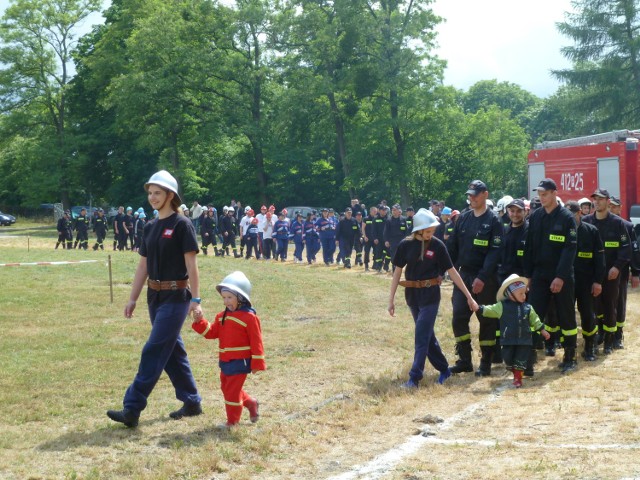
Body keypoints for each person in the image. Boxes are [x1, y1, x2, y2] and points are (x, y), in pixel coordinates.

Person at [107, 170, 203, 428]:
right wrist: (132, 298)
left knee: (154, 349)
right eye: (150, 193)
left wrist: (196, 299)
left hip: (177, 296)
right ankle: (192, 401)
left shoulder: (182, 224)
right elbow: (143, 267)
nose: (152, 197)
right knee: (172, 352)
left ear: (170, 195)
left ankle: (132, 407)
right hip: (154, 297)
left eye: (157, 193)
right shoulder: (150, 227)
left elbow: (192, 266)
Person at [388, 208, 478, 388]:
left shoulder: (438, 246)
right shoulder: (405, 245)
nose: (432, 233)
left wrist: (469, 297)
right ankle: (444, 369)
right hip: (412, 296)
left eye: (433, 230)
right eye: (428, 230)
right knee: (427, 337)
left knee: (421, 334)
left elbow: (452, 272)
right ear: (418, 230)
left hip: (431, 296)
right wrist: (390, 300)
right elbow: (397, 273)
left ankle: (414, 377)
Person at [191, 271, 265, 428]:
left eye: (229, 297)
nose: (226, 301)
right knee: (227, 387)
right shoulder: (221, 316)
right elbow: (211, 333)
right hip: (225, 360)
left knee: (231, 391)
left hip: (240, 361)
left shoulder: (250, 318)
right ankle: (251, 403)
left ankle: (232, 422)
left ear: (241, 297)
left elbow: (256, 340)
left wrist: (257, 362)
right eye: (223, 298)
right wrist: (200, 321)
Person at [447, 180, 504, 376]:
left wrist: (482, 277)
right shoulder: (463, 219)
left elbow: (495, 253)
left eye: (475, 194)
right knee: (458, 317)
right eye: (469, 194)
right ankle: (464, 360)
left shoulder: (494, 221)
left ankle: (486, 362)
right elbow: (452, 248)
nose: (471, 198)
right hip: (464, 276)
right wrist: (444, 270)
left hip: (485, 278)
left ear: (485, 195)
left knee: (486, 320)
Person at [523, 178, 579, 373]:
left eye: (545, 193)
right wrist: (528, 276)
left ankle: (570, 355)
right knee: (533, 314)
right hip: (539, 274)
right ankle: (529, 358)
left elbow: (570, 249)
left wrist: (561, 276)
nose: (542, 197)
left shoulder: (566, 218)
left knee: (566, 315)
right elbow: (529, 248)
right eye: (539, 194)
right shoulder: (536, 217)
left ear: (555, 193)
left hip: (560, 275)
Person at [477, 275, 550, 388]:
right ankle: (514, 369)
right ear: (510, 294)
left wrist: (542, 330)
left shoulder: (528, 307)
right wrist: (479, 308)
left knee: (520, 360)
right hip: (508, 340)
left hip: (524, 340)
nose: (524, 296)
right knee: (508, 359)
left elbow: (535, 320)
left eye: (524, 293)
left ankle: (518, 378)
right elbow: (490, 310)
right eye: (520, 294)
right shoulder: (501, 306)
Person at [582, 188, 631, 354]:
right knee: (592, 308)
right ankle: (595, 338)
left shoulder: (617, 223)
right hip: (592, 275)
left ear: (608, 202)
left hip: (611, 275)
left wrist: (617, 267)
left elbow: (626, 249)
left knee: (610, 307)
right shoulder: (587, 221)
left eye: (601, 199)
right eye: (595, 199)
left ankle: (611, 340)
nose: (597, 201)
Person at [566, 200, 605, 361]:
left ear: (579, 213)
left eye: (571, 214)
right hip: (566, 281)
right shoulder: (562, 232)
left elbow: (600, 258)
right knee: (567, 315)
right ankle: (570, 350)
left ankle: (590, 347)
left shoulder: (591, 231)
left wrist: (598, 281)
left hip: (586, 282)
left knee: (588, 314)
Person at [609, 195, 640, 348]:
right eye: (610, 206)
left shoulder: (627, 226)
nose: (612, 209)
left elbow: (634, 252)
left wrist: (635, 273)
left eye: (615, 206)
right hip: (603, 272)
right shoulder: (602, 224)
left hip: (620, 272)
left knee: (619, 302)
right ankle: (604, 333)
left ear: (620, 208)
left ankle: (618, 334)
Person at [383, 204, 408, 272]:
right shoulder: (389, 220)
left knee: (401, 255)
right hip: (393, 241)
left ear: (398, 211)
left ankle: (399, 268)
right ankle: (394, 270)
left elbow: (406, 231)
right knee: (394, 255)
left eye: (394, 210)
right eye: (392, 210)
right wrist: (386, 241)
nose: (393, 211)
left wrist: (406, 239)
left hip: (402, 240)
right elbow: (386, 232)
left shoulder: (403, 219)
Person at [362, 206, 378, 272]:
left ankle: (375, 265)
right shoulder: (366, 218)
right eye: (374, 211)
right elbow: (363, 228)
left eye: (376, 211)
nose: (375, 212)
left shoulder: (377, 218)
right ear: (370, 211)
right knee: (367, 252)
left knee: (376, 252)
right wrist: (364, 236)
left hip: (374, 239)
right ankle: (366, 266)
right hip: (367, 239)